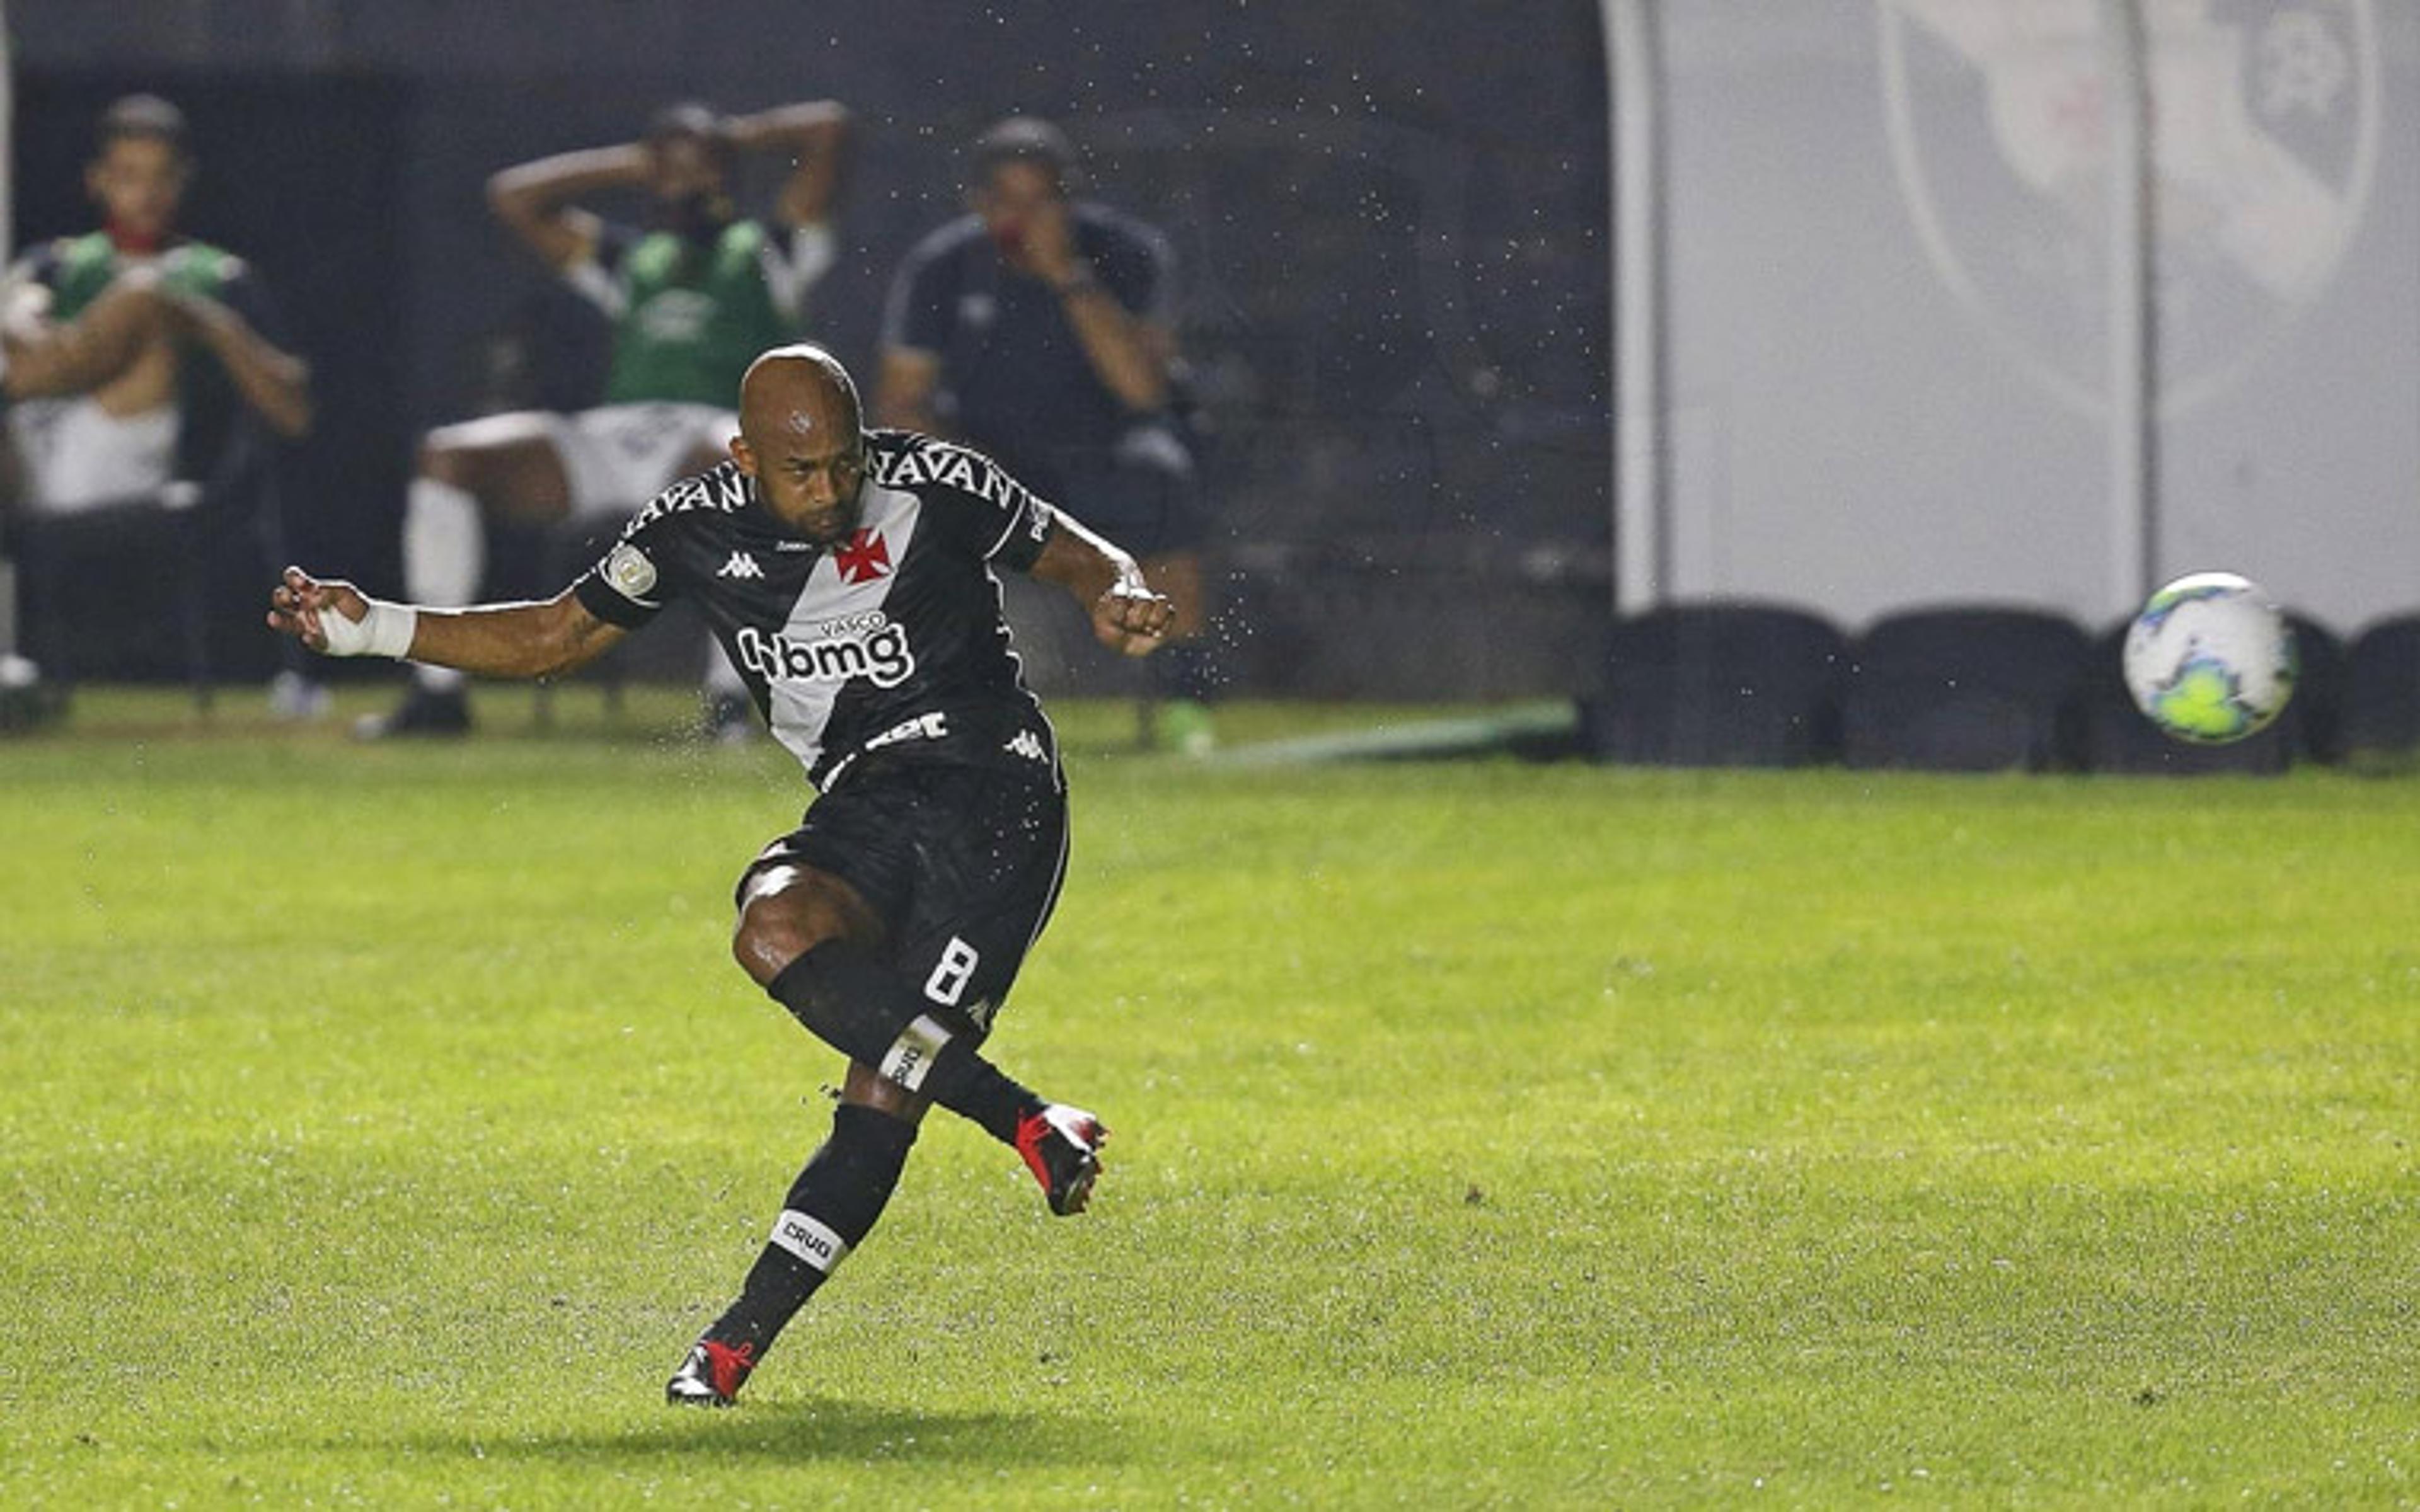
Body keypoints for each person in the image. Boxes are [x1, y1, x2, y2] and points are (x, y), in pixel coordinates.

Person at [267, 344, 1173, 1407]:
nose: (830, 491)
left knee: (887, 1087)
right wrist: (373, 627)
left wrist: (1121, 591)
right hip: (867, 800)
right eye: (800, 472)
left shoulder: (936, 480)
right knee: (774, 931)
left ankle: (732, 1347)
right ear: (746, 456)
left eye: (842, 463)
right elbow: (558, 634)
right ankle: (1028, 1117)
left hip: (995, 793)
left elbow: (1073, 553)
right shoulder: (691, 528)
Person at [364, 99, 850, 739]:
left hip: (712, 439)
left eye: (697, 170)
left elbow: (830, 128)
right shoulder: (632, 260)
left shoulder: (770, 251)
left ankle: (731, 700)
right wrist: (644, 164)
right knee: (449, 455)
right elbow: (513, 196)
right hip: (615, 438)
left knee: (739, 461)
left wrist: (725, 141)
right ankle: (437, 693)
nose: (684, 181)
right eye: (669, 170)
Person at [877, 115, 1220, 752]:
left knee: (1166, 476)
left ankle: (1186, 703)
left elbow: (1144, 391)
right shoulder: (943, 266)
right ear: (976, 202)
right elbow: (902, 399)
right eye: (1005, 201)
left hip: (1107, 448)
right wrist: (963, 467)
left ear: (1070, 197)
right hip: (987, 458)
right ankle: (924, 707)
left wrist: (1067, 274)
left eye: (1041, 200)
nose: (1022, 218)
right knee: (904, 497)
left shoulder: (1126, 253)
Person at [2, 94, 317, 712]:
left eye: (158, 178)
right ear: (98, 180)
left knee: (145, 295)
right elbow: (15, 313)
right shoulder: (58, 263)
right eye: (126, 177)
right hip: (25, 453)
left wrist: (205, 322)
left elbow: (295, 413)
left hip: (125, 463)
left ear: (182, 180)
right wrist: (38, 328)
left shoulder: (218, 277)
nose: (144, 195)